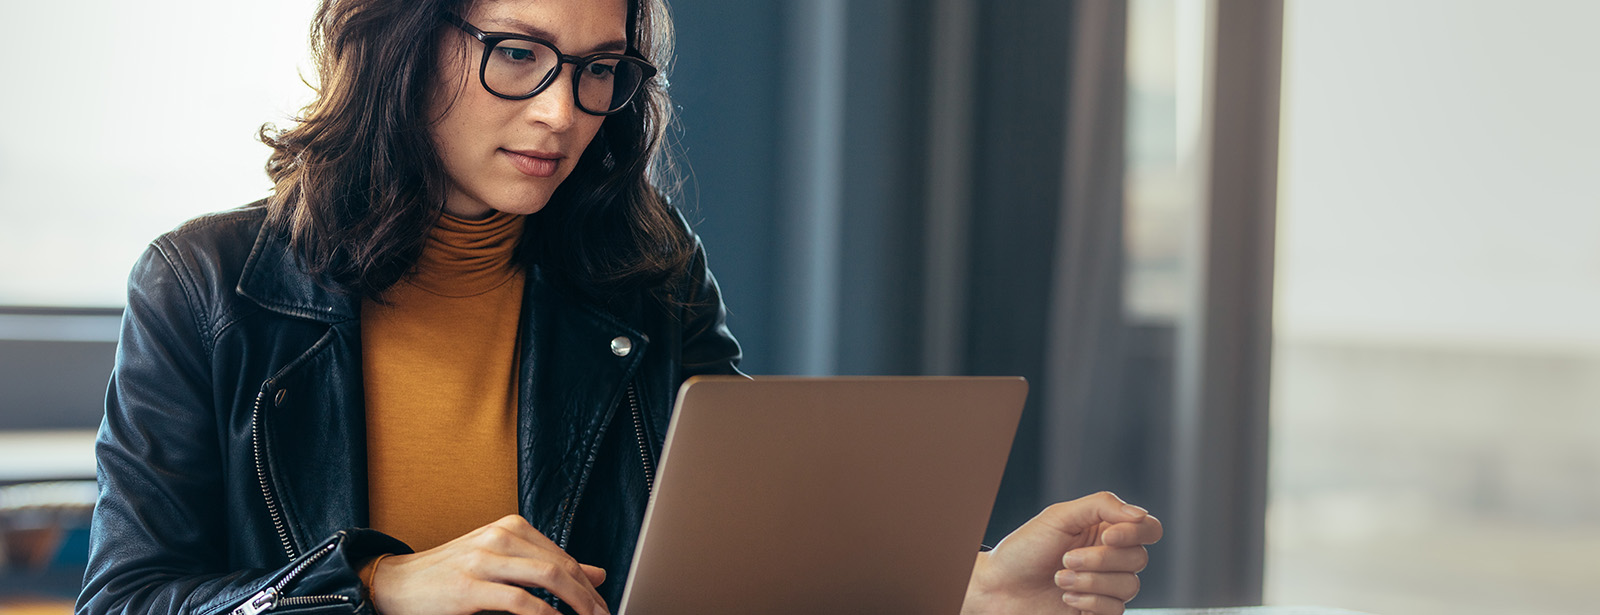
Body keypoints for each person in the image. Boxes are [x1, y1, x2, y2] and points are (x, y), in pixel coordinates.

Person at [76, 0, 1164, 614]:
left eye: (599, 70)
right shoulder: (206, 286)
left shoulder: (645, 268)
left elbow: (744, 557)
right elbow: (127, 604)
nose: (562, 112)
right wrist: (378, 589)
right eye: (516, 54)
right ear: (398, 43)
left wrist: (964, 591)